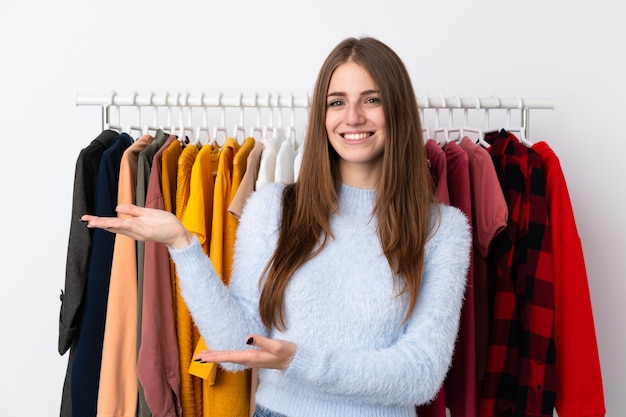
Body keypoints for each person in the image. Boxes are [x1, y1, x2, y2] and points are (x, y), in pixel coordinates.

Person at [82, 36, 471, 417]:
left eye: (372, 100)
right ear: (322, 115)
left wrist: (300, 363)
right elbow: (237, 347)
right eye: (337, 102)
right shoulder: (274, 208)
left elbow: (421, 374)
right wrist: (183, 245)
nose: (353, 117)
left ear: (398, 110)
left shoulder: (443, 231)